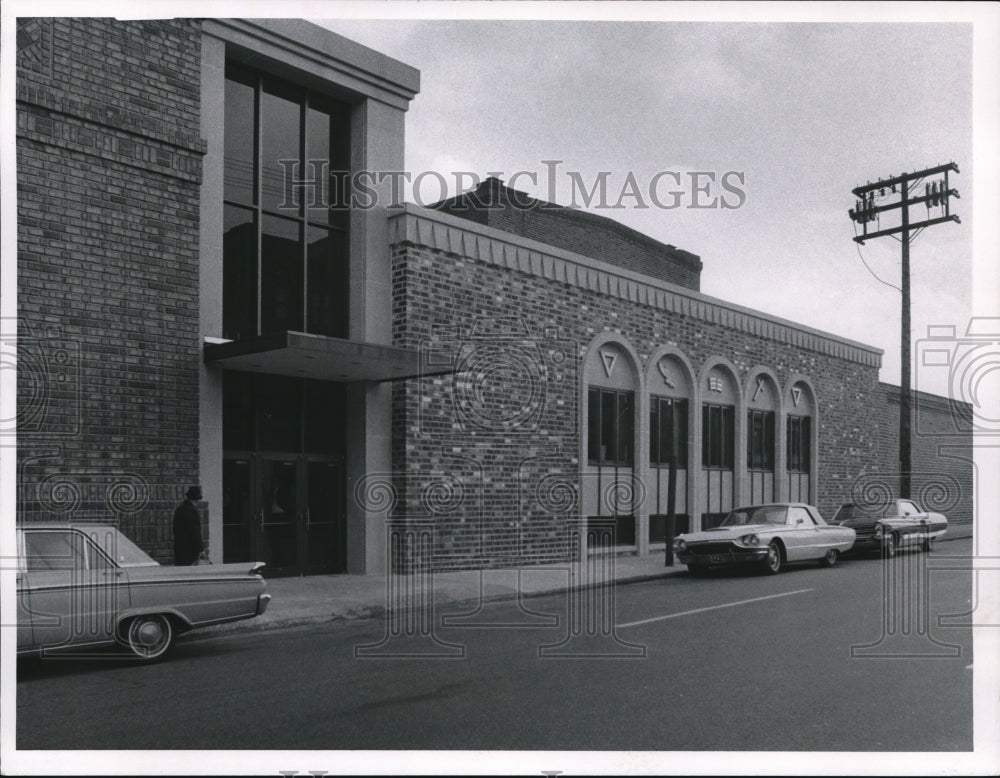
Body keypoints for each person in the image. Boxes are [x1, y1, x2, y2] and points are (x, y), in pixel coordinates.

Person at [173, 485, 205, 565]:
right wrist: (201, 549)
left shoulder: (179, 509)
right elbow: (195, 532)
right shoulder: (193, 511)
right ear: (197, 500)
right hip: (190, 550)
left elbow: (174, 529)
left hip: (179, 547)